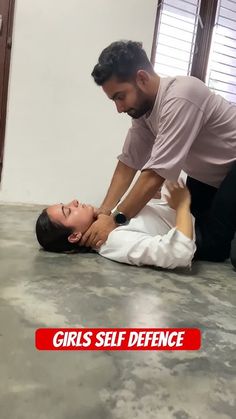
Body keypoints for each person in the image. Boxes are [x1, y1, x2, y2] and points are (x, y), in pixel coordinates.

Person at [79, 40, 236, 258]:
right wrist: (104, 212)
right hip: (212, 175)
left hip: (232, 167)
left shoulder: (181, 95)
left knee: (213, 247)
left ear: (142, 78)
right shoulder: (144, 113)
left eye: (120, 97)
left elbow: (155, 174)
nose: (119, 108)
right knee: (195, 233)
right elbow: (128, 163)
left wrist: (114, 221)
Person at [36, 163, 236, 269]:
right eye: (68, 211)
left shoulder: (105, 221)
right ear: (74, 236)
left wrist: (166, 198)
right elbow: (180, 253)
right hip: (207, 239)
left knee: (202, 160)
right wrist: (182, 205)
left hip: (194, 214)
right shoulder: (114, 241)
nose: (74, 202)